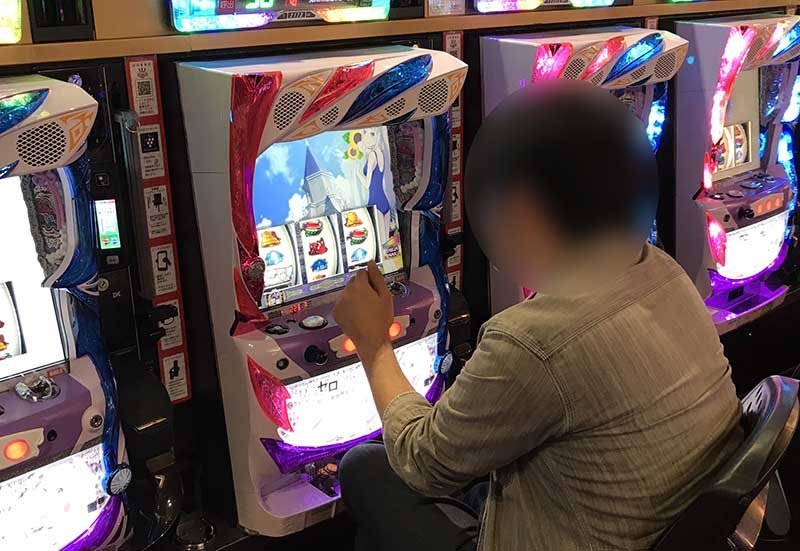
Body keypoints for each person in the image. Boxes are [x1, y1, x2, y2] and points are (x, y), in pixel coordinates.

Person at [332, 80, 744, 551]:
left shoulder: (531, 341)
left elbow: (422, 462)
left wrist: (373, 342)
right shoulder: (662, 271)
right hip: (664, 525)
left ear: (522, 207)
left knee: (365, 467)